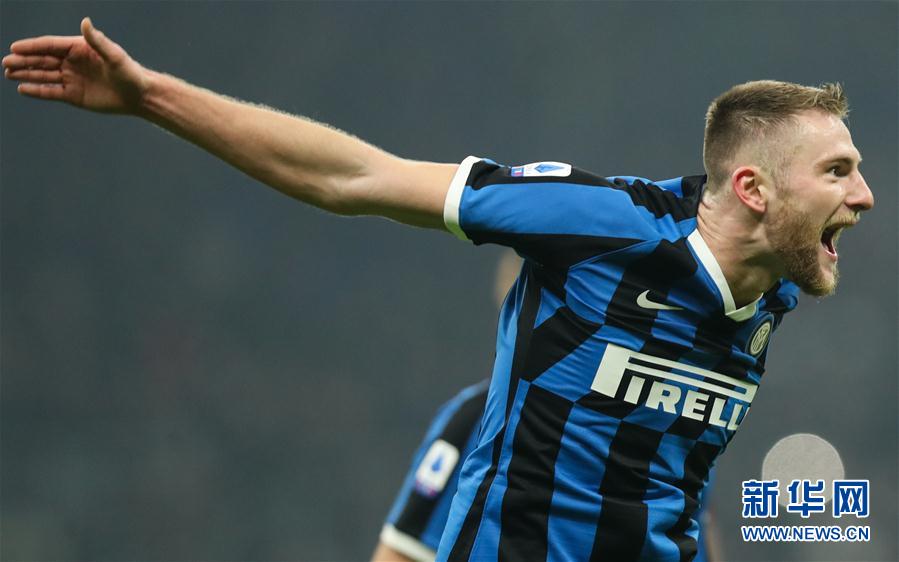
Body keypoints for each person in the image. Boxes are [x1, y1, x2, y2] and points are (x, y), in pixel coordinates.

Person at [3, 18, 874, 562]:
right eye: (837, 170)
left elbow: (674, 496)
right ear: (753, 189)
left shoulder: (770, 296)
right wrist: (151, 96)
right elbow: (353, 176)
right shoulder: (603, 222)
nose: (864, 195)